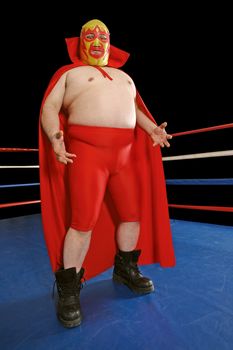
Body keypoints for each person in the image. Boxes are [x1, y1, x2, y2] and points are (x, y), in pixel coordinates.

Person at [39, 19, 175, 328]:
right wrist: (54, 137)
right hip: (87, 153)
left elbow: (136, 109)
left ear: (111, 42)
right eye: (91, 35)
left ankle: (126, 269)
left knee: (132, 215)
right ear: (80, 42)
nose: (98, 39)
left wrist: (151, 128)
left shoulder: (125, 77)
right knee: (82, 221)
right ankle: (69, 289)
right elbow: (50, 108)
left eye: (103, 35)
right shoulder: (69, 73)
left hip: (124, 155)